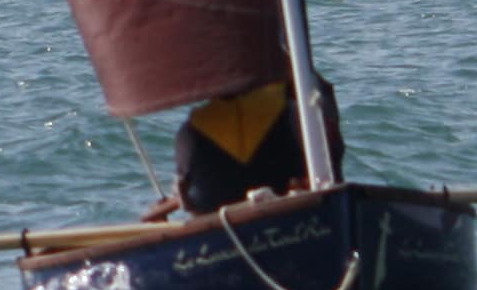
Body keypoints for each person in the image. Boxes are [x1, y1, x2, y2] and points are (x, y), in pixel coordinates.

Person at [145, 76, 345, 219]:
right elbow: (328, 168)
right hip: (287, 218)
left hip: (220, 229)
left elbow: (188, 201)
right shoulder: (288, 112)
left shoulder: (190, 133)